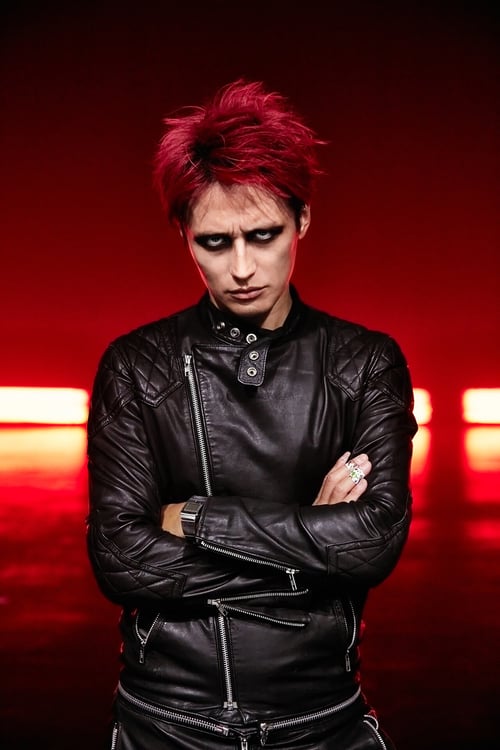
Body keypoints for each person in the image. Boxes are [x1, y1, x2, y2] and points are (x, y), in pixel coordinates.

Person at [86, 78, 418, 750]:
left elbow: (372, 543)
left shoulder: (364, 362)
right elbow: (122, 558)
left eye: (263, 235)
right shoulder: (136, 365)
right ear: (184, 235)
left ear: (302, 220)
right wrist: (313, 543)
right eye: (215, 242)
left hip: (320, 721)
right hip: (167, 722)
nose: (242, 267)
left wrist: (193, 518)